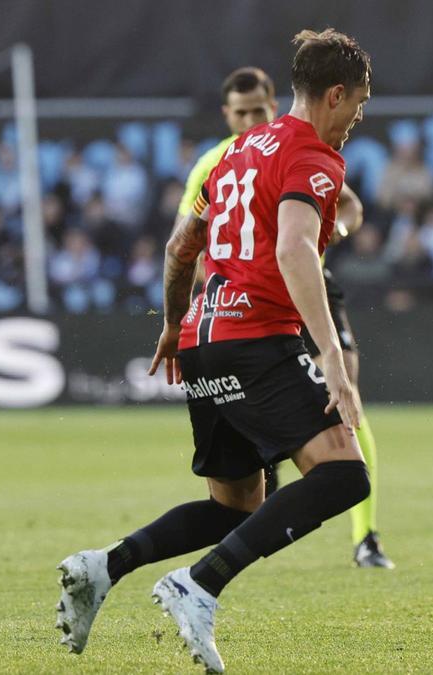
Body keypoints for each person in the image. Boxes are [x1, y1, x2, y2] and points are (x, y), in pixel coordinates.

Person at [55, 29, 373, 673]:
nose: (356, 122)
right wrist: (334, 358)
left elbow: (180, 250)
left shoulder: (232, 156)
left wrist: (174, 327)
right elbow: (292, 250)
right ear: (334, 96)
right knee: (344, 476)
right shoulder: (314, 156)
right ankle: (199, 584)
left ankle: (103, 566)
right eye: (358, 107)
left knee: (234, 504)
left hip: (204, 338)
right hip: (256, 336)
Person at [174, 65, 392, 568]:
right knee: (281, 421)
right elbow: (186, 239)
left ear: (274, 105)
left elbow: (349, 206)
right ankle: (273, 508)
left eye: (258, 109)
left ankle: (366, 535)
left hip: (308, 291)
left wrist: (328, 232)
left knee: (346, 404)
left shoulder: (300, 148)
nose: (250, 117)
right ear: (226, 114)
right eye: (241, 112)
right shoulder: (216, 161)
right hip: (245, 304)